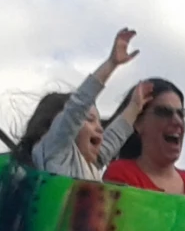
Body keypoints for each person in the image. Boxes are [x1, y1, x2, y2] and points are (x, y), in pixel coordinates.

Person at [17, 28, 151, 181]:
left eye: (99, 122)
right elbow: (77, 106)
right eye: (89, 119)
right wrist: (111, 64)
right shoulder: (57, 151)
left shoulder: (91, 164)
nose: (100, 128)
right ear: (58, 126)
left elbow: (113, 138)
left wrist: (134, 107)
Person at [103, 80, 185, 195]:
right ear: (138, 122)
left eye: (181, 114)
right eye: (164, 112)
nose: (177, 121)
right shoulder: (121, 174)